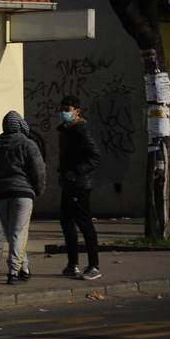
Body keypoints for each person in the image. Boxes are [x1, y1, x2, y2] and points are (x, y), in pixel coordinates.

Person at [0, 111, 47, 284]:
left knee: (11, 233)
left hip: (1, 193)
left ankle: (24, 268)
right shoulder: (28, 144)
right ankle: (13, 271)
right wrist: (38, 190)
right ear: (21, 125)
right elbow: (39, 170)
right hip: (23, 193)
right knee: (18, 232)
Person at [57, 95, 102, 280]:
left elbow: (95, 156)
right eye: (62, 109)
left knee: (84, 223)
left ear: (77, 111)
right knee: (66, 221)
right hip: (69, 184)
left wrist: (75, 172)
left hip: (80, 184)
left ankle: (94, 266)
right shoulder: (66, 130)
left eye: (67, 109)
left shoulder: (80, 130)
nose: (63, 113)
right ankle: (72, 264)